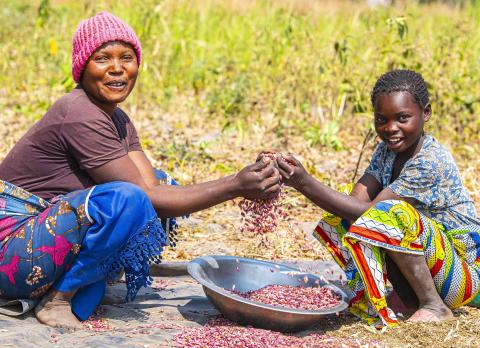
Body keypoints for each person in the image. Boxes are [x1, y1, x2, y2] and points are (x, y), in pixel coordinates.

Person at [0, 11, 280, 330]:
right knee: (127, 201)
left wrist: (244, 180)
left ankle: (96, 278)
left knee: (158, 184)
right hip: (11, 253)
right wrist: (235, 185)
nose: (117, 69)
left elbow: (154, 189)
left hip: (41, 242)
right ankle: (59, 298)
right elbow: (142, 197)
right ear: (82, 68)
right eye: (103, 58)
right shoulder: (78, 112)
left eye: (127, 58)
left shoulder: (118, 120)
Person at [269, 69, 480, 327]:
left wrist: (304, 182)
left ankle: (434, 305)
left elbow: (371, 211)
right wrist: (293, 176)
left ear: (426, 113)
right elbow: (357, 201)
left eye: (402, 118)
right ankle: (405, 299)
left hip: (463, 276)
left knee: (390, 212)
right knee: (345, 211)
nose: (390, 128)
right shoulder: (386, 151)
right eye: (381, 119)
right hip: (434, 265)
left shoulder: (430, 160)